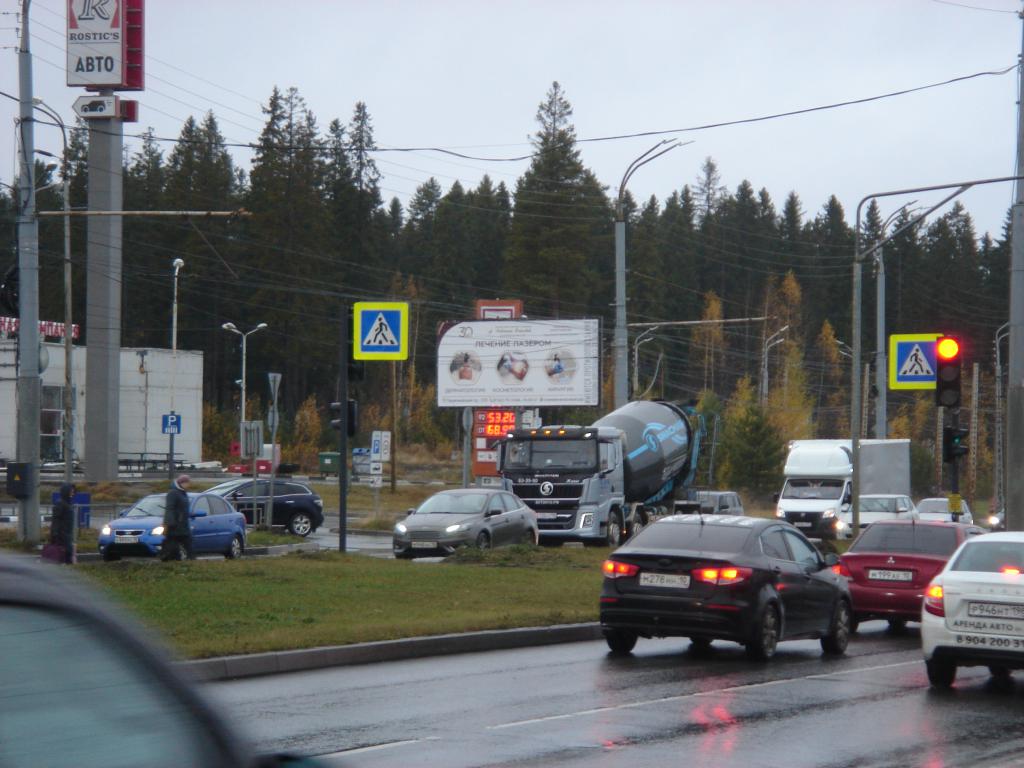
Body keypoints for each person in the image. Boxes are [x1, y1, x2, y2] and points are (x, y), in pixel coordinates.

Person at [161, 474, 193, 561]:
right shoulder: (173, 493)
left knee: (189, 544)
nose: (188, 485)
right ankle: (174, 561)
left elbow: (184, 509)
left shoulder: (183, 493)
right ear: (181, 483)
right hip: (175, 526)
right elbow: (170, 508)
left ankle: (190, 561)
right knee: (174, 546)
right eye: (187, 483)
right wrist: (170, 523)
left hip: (183, 525)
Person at [49, 483, 75, 565]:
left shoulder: (68, 504)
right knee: (63, 554)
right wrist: (55, 534)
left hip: (67, 534)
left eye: (73, 491)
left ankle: (67, 571)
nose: (72, 493)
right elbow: (55, 520)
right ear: (66, 492)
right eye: (71, 491)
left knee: (68, 554)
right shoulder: (60, 504)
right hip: (61, 535)